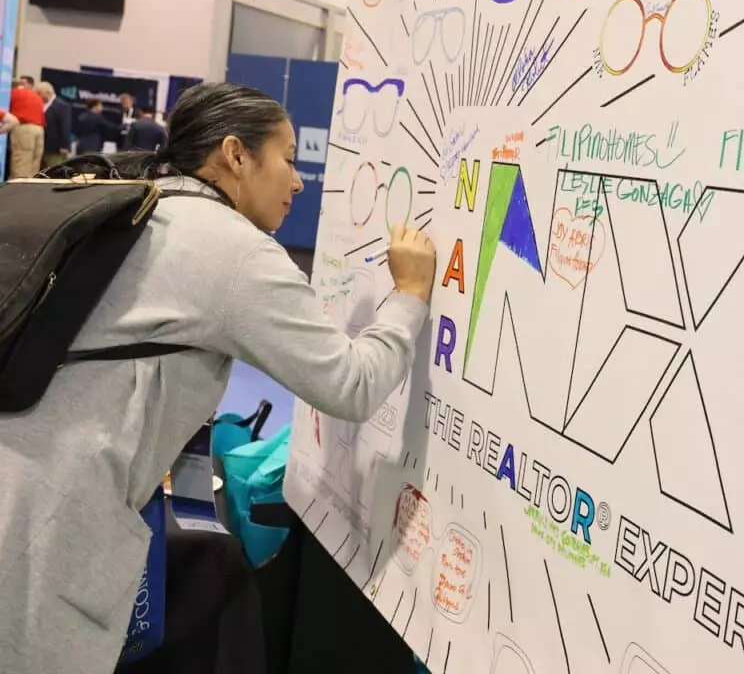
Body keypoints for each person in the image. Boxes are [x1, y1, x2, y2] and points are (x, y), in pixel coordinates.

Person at [0, 82, 437, 674]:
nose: (299, 180)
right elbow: (350, 385)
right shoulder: (233, 251)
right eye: (287, 158)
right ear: (235, 154)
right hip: (43, 533)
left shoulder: (138, 204)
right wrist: (410, 295)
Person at [5, 77, 45, 178]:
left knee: (21, 162)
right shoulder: (35, 95)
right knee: (34, 164)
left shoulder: (13, 93)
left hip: (25, 128)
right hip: (39, 129)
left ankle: (17, 189)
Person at [35, 81, 71, 168]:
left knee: (54, 171)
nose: (37, 95)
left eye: (39, 93)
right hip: (41, 147)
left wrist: (64, 145)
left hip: (55, 149)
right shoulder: (39, 104)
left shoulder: (62, 105)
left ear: (48, 92)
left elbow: (65, 127)